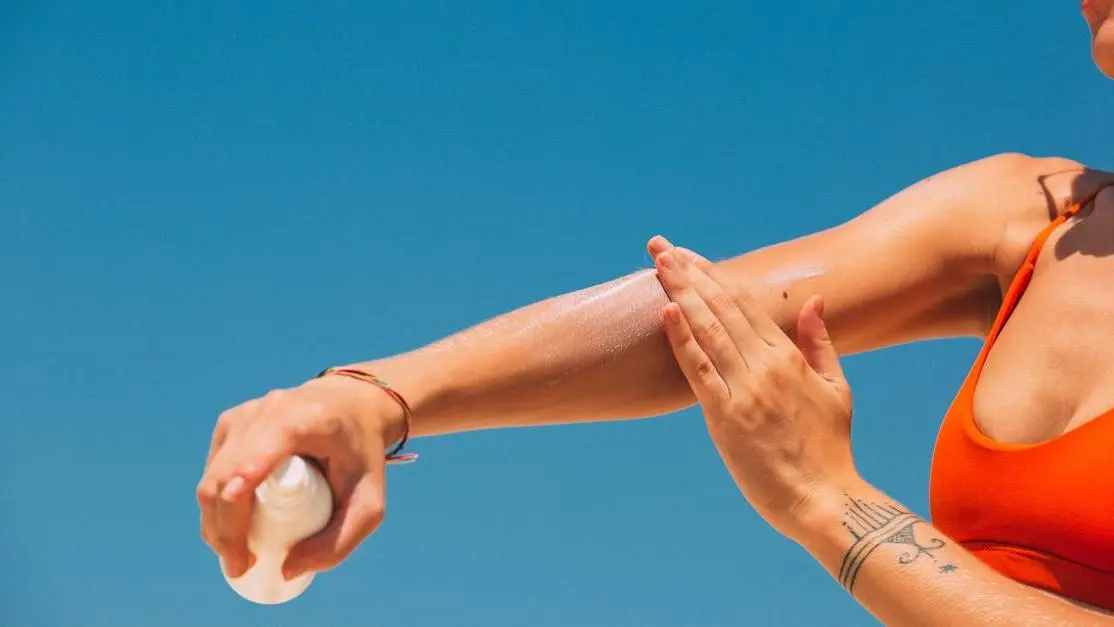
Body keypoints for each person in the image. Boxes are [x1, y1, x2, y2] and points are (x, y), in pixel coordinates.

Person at [198, 4, 1114, 621]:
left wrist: (827, 503)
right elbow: (701, 323)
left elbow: (816, 483)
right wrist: (376, 394)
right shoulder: (1033, 216)